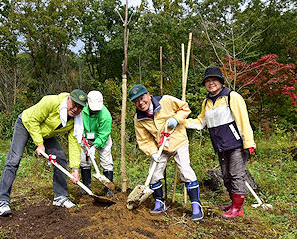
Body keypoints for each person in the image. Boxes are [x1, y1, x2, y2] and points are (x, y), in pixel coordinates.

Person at [0, 89, 88, 216]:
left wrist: (75, 169)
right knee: (14, 159)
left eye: (80, 107)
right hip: (26, 123)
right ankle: (2, 201)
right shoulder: (51, 101)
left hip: (46, 133)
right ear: (68, 99)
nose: (75, 109)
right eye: (74, 104)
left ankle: (60, 197)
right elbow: (33, 121)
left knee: (60, 157)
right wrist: (40, 144)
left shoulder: (77, 120)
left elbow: (74, 143)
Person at [185, 66, 256, 218]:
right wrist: (181, 122)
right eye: (208, 81)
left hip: (236, 144)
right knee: (226, 176)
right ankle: (234, 203)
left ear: (220, 81)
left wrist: (249, 142)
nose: (211, 83)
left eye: (214, 80)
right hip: (220, 146)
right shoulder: (207, 102)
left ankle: (238, 209)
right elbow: (200, 122)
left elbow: (244, 120)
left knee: (236, 175)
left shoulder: (232, 97)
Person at [128, 84, 203, 221]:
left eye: (142, 98)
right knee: (154, 173)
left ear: (148, 95)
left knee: (185, 171)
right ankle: (160, 202)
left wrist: (176, 119)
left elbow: (185, 108)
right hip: (160, 146)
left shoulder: (166, 101)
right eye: (136, 101)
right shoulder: (139, 118)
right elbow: (144, 140)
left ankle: (196, 205)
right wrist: (152, 153)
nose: (140, 102)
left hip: (179, 141)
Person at [79, 91, 114, 196]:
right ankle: (86, 186)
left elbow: (103, 134)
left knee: (106, 161)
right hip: (85, 137)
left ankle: (108, 189)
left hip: (102, 138)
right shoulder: (81, 109)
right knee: (84, 161)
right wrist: (81, 134)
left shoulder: (105, 115)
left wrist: (94, 146)